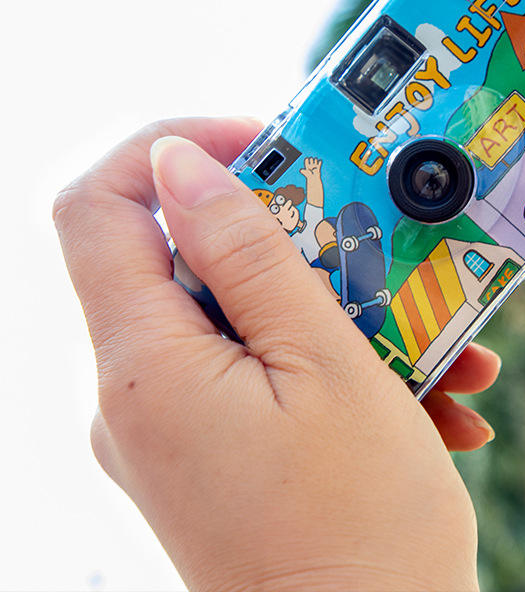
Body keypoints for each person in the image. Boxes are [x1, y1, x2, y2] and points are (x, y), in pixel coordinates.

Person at [54, 116, 501, 591]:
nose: (284, 213)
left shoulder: (316, 231)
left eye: (284, 209)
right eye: (281, 209)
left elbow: (317, 212)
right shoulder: (304, 232)